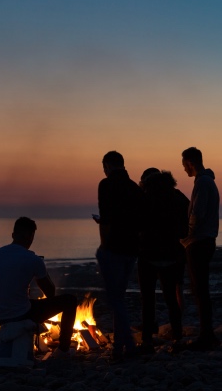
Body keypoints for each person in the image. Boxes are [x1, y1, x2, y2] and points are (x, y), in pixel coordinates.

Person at [0, 217, 78, 354]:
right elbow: (50, 292)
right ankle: (63, 350)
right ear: (31, 237)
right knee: (70, 300)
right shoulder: (32, 259)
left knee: (23, 301)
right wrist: (41, 269)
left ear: (13, 235)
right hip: (21, 314)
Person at [92, 151, 143, 361]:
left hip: (113, 247)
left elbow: (106, 218)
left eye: (104, 166)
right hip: (131, 250)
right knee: (118, 298)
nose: (103, 170)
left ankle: (128, 345)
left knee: (115, 299)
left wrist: (103, 246)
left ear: (108, 165)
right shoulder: (134, 188)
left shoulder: (106, 185)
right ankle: (119, 346)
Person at [137, 169, 189, 351]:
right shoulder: (178, 197)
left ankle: (147, 340)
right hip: (172, 255)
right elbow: (186, 226)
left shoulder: (144, 198)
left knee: (148, 299)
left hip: (148, 254)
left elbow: (137, 224)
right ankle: (177, 337)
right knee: (171, 299)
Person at [181, 147, 220, 350]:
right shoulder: (206, 182)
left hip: (199, 241)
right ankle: (207, 333)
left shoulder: (203, 183)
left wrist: (188, 233)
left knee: (200, 289)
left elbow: (197, 212)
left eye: (184, 165)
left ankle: (206, 335)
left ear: (190, 163)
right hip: (203, 240)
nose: (184, 170)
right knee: (200, 288)